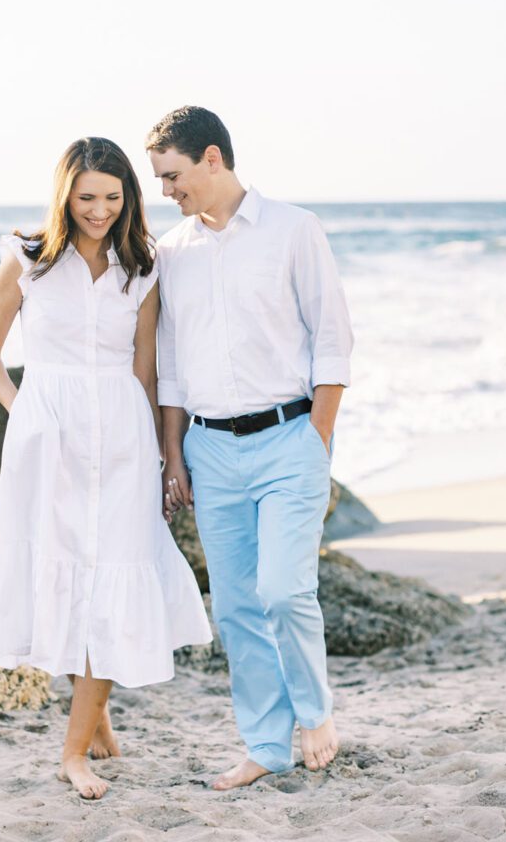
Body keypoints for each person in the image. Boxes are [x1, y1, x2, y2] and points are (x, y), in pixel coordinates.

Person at [0, 136, 212, 800]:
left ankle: (73, 752)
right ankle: (96, 720)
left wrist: (168, 454)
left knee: (112, 574)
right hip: (46, 438)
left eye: (114, 197)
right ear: (64, 195)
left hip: (123, 437)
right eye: (87, 198)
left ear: (128, 197)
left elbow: (148, 368)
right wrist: (26, 412)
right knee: (66, 570)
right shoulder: (26, 261)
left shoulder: (144, 266)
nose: (101, 210)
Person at [148, 106, 354, 791]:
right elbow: (171, 366)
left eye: (172, 175)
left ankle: (316, 714)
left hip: (288, 439)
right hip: (209, 449)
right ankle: (267, 744)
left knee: (283, 589)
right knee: (235, 607)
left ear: (213, 158)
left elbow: (332, 340)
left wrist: (314, 439)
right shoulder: (171, 253)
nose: (166, 191)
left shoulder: (295, 230)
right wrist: (174, 456)